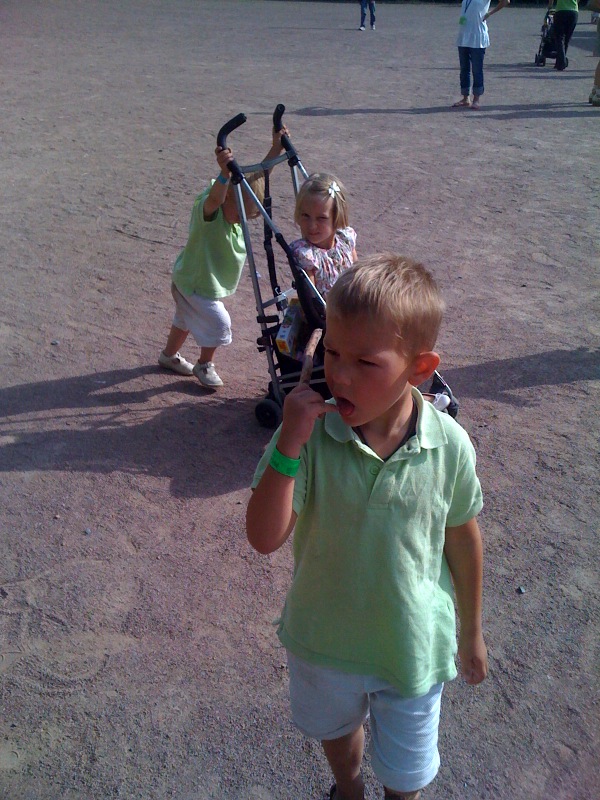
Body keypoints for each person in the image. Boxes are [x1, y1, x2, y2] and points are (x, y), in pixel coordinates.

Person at [247, 254, 488, 800]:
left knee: (407, 776)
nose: (339, 374)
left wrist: (471, 629)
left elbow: (462, 538)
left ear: (419, 369)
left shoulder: (449, 445)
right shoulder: (309, 437)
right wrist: (288, 443)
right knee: (338, 736)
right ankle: (348, 789)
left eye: (365, 361)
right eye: (331, 351)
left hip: (412, 647)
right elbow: (263, 538)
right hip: (323, 641)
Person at [158, 128, 288, 388]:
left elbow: (258, 178)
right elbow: (216, 197)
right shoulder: (211, 212)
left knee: (184, 320)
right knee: (219, 323)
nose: (241, 220)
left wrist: (276, 147)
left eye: (247, 217)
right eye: (240, 214)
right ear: (228, 195)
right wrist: (224, 173)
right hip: (194, 284)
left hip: (199, 282)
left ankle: (168, 356)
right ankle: (204, 364)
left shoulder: (233, 210)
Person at [289, 173, 357, 299]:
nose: (312, 225)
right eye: (305, 216)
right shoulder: (306, 255)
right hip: (327, 309)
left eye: (321, 218)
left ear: (337, 217)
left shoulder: (346, 239)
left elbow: (357, 274)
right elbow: (311, 301)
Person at [452, 0, 510, 110]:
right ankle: (465, 98)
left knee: (477, 69)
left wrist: (490, 13)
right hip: (464, 34)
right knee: (464, 69)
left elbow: (505, 1)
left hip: (478, 36)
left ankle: (476, 98)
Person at [549, 0, 579, 71]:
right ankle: (559, 62)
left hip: (561, 11)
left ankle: (562, 62)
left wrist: (550, 6)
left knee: (559, 37)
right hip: (573, 11)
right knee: (567, 39)